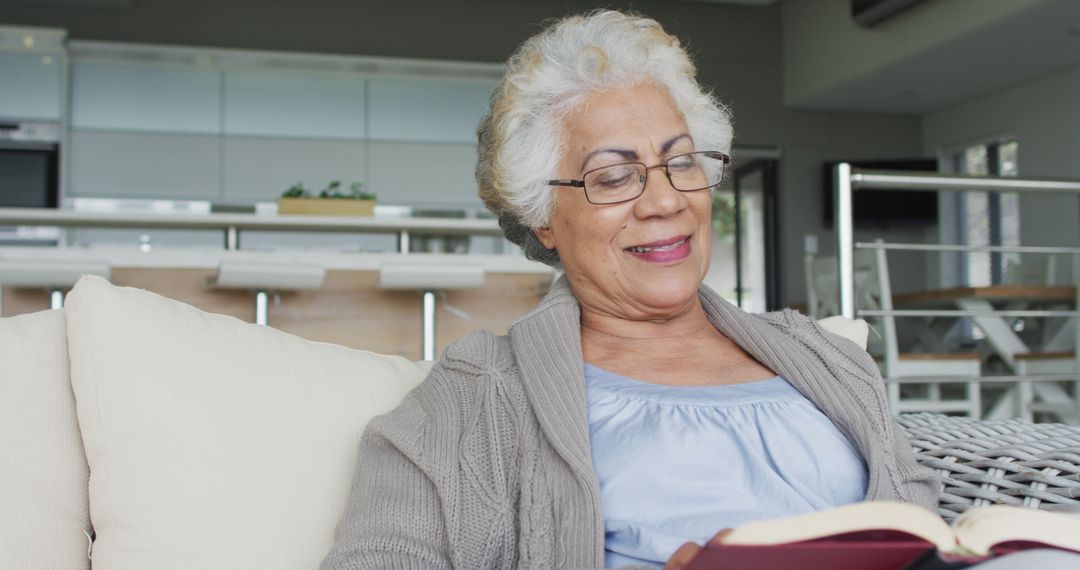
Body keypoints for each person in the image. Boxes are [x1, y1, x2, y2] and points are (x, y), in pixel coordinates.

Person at [321, 10, 938, 570]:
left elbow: (924, 529)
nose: (666, 200)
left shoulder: (828, 359)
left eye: (682, 162)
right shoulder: (473, 400)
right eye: (614, 177)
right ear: (543, 218)